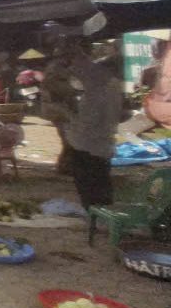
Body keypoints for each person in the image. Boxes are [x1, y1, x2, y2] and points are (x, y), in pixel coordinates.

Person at [47, 45, 122, 208]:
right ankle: (102, 215)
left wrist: (65, 113)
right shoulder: (113, 87)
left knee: (90, 187)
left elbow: (86, 123)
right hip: (103, 144)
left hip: (87, 146)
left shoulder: (97, 93)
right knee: (102, 183)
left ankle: (96, 216)